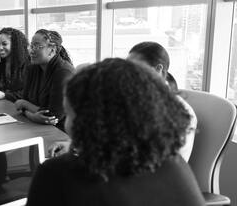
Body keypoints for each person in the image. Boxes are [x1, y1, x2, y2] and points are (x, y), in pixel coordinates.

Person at [27, 58, 204, 206]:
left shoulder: (56, 174)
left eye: (70, 115)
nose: (67, 125)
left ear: (89, 122)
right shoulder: (175, 164)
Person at [127, 41, 197, 162]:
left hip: (157, 175)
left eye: (136, 68)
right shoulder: (135, 100)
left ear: (158, 69)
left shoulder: (181, 112)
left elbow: (173, 162)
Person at [14, 29, 74, 128]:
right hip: (36, 127)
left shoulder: (64, 72)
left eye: (37, 46)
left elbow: (53, 116)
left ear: (52, 50)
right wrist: (31, 114)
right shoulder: (33, 67)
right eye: (31, 46)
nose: (31, 51)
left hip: (61, 132)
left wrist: (26, 106)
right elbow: (20, 105)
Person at [0, 27, 30, 101]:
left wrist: (5, 95)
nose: (0, 47)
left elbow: (28, 92)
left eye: (4, 44)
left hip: (19, 105)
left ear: (15, 45)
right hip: (1, 105)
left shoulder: (27, 62)